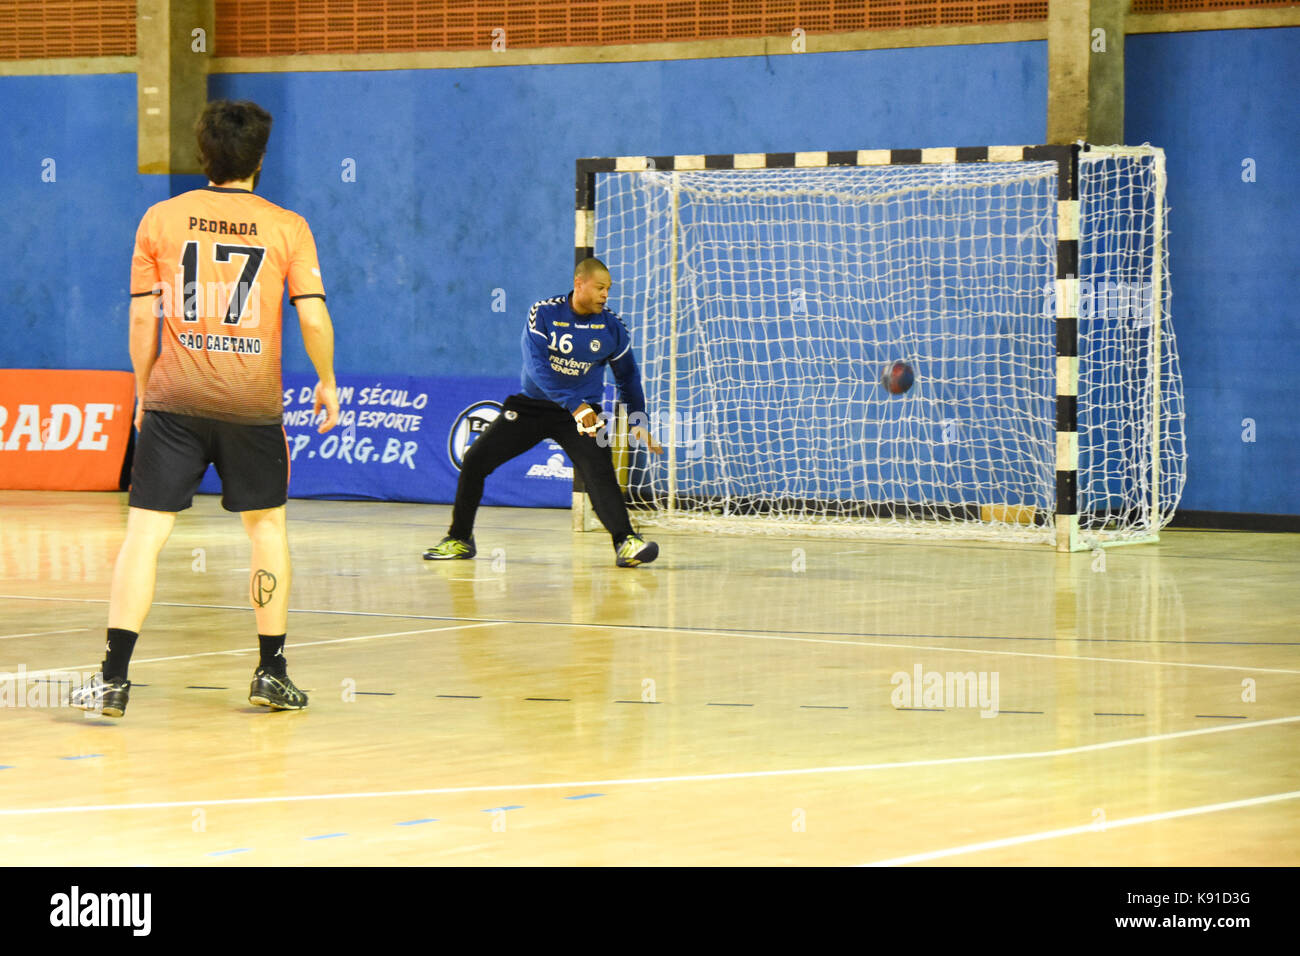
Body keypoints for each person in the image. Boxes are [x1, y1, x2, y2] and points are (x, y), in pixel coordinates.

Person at [70, 100, 340, 718]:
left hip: (174, 404)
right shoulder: (287, 226)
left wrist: (144, 391)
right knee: (266, 529)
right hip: (252, 407)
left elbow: (143, 316)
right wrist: (326, 380)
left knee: (145, 535)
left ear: (203, 155)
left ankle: (113, 678)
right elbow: (314, 314)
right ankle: (271, 672)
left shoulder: (160, 219)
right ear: (261, 160)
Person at [424, 258, 663, 567]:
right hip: (533, 407)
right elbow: (538, 369)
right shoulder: (545, 313)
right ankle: (458, 539)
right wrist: (573, 403)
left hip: (583, 415)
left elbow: (628, 377)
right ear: (579, 284)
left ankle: (627, 542)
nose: (606, 295)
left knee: (599, 472)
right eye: (600, 288)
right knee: (476, 460)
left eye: (609, 290)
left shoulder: (612, 326)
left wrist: (637, 419)